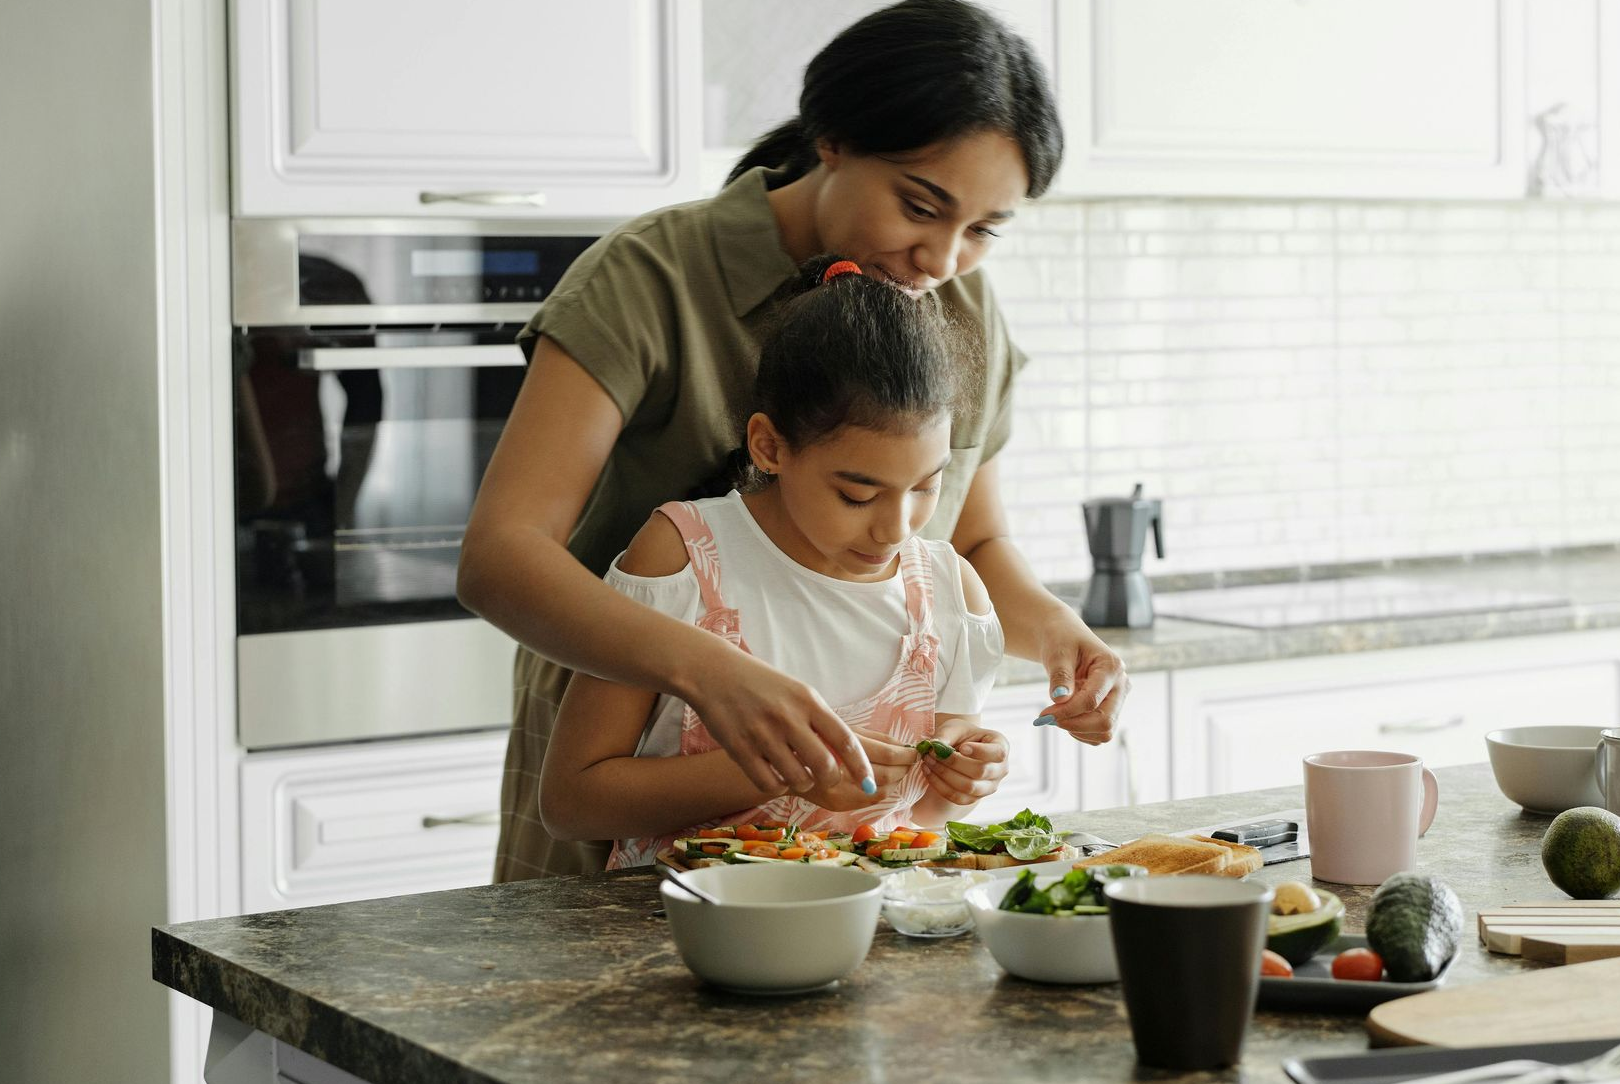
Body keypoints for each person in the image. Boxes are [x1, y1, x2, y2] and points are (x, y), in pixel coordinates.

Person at [459, 0, 1129, 880]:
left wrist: (1057, 634)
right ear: (834, 141)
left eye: (982, 230)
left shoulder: (959, 305)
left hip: (843, 848)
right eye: (921, 206)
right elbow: (500, 557)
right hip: (627, 763)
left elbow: (970, 540)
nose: (943, 258)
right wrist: (713, 673)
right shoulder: (651, 276)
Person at [538, 256, 1008, 867]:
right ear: (769, 445)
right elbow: (571, 802)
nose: (897, 528)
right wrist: (777, 772)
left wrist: (963, 781)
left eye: (926, 485)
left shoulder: (949, 593)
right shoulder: (684, 558)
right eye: (857, 494)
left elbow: (924, 819)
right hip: (679, 933)